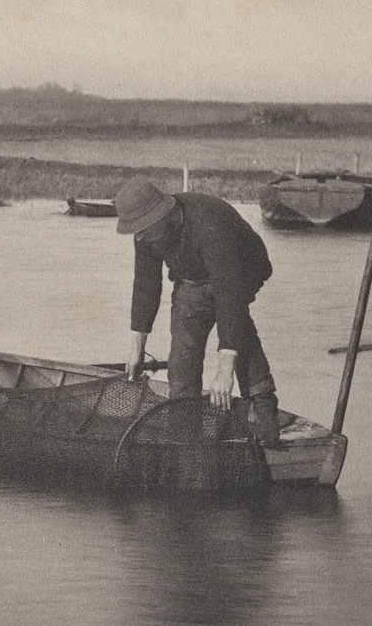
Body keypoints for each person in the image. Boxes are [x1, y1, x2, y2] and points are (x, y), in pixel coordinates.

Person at [115, 181, 282, 442]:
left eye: (144, 231)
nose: (139, 238)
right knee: (183, 350)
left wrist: (225, 369)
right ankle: (185, 429)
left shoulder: (209, 224)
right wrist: (137, 347)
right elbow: (146, 285)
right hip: (192, 276)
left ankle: (263, 408)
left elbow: (229, 294)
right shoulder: (145, 232)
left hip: (244, 267)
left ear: (162, 216)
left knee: (236, 326)